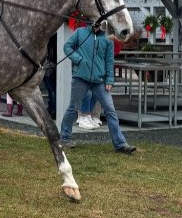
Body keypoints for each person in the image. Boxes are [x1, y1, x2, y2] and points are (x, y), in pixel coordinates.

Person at [59, 22, 137, 154]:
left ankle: (120, 144)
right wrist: (78, 60)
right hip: (80, 78)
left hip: (99, 81)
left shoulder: (108, 39)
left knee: (110, 110)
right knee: (73, 108)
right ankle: (64, 138)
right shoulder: (80, 33)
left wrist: (110, 80)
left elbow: (109, 61)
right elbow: (67, 47)